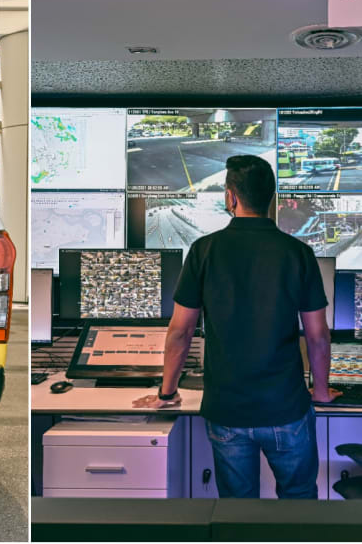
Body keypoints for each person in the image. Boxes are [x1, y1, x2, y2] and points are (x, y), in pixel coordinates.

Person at [132, 154, 342, 498]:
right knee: (301, 506)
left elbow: (180, 332)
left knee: (237, 512)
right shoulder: (298, 253)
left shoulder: (203, 251)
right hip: (286, 409)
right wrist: (320, 391)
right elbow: (318, 335)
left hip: (227, 411)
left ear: (231, 197)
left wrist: (167, 393)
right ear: (270, 198)